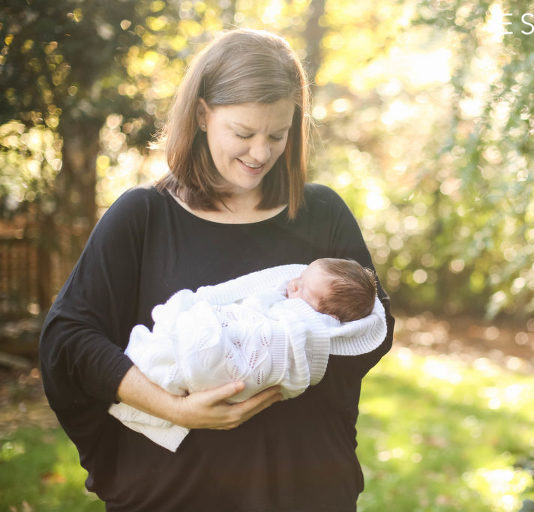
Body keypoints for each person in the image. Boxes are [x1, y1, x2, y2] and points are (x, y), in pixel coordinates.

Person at [38, 28, 394, 511]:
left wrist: (278, 346)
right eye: (244, 133)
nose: (261, 153)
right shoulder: (144, 217)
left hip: (303, 488)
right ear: (203, 115)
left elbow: (375, 326)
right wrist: (176, 409)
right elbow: (70, 338)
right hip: (174, 492)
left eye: (278, 134)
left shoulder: (322, 214)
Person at [108, 258, 387, 453]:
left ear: (328, 317)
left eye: (303, 289)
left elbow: (260, 342)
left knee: (187, 350)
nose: (292, 285)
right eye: (299, 279)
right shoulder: (289, 303)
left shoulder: (302, 332)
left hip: (218, 363)